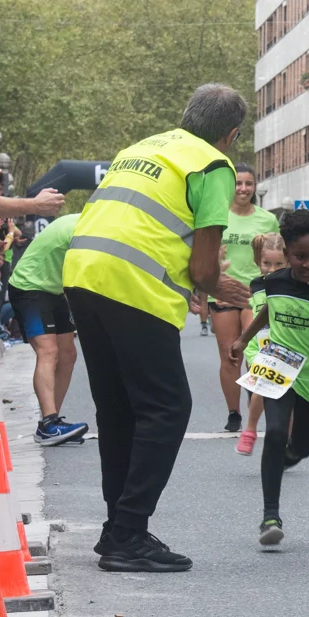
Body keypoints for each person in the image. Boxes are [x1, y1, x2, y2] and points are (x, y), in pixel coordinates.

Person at [63, 84, 250, 573]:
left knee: (118, 408)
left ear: (186, 115)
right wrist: (222, 288)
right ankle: (127, 532)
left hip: (82, 272)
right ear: (231, 135)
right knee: (168, 407)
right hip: (132, 283)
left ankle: (119, 529)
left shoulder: (142, 148)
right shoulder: (213, 164)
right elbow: (205, 267)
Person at [230, 212, 309, 548]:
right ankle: (270, 517)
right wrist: (243, 340)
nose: (308, 264)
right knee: (275, 433)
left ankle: (286, 458)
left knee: (303, 447)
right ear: (287, 253)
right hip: (279, 365)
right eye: (300, 256)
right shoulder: (273, 283)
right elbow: (267, 311)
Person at [4, 212, 88, 446]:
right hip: (29, 286)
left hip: (53, 290)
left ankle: (50, 424)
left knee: (68, 355)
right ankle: (49, 423)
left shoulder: (90, 222)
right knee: (48, 351)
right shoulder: (82, 230)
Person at [212, 166, 279, 434]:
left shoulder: (267, 219)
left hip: (255, 293)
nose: (243, 189)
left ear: (255, 187)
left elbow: (278, 254)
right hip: (223, 292)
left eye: (248, 184)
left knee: (257, 352)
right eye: (238, 183)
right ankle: (233, 412)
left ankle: (256, 399)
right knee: (230, 355)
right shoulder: (216, 215)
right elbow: (202, 252)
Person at [235, 233, 287, 455]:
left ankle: (285, 444)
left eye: (278, 264)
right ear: (258, 261)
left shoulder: (292, 285)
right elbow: (252, 309)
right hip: (260, 345)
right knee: (261, 385)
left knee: (287, 398)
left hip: (287, 346)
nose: (271, 269)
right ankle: (250, 430)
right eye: (267, 263)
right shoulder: (256, 285)